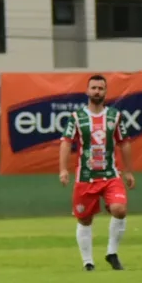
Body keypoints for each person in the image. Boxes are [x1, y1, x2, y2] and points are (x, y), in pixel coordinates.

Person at [58, 74, 134, 271]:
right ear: (87, 91)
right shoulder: (77, 118)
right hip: (85, 177)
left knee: (120, 209)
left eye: (100, 88)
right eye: (94, 88)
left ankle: (112, 253)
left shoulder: (114, 116)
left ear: (105, 92)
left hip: (110, 175)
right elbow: (66, 142)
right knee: (84, 219)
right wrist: (63, 169)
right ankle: (88, 262)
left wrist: (128, 171)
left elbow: (124, 142)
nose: (97, 91)